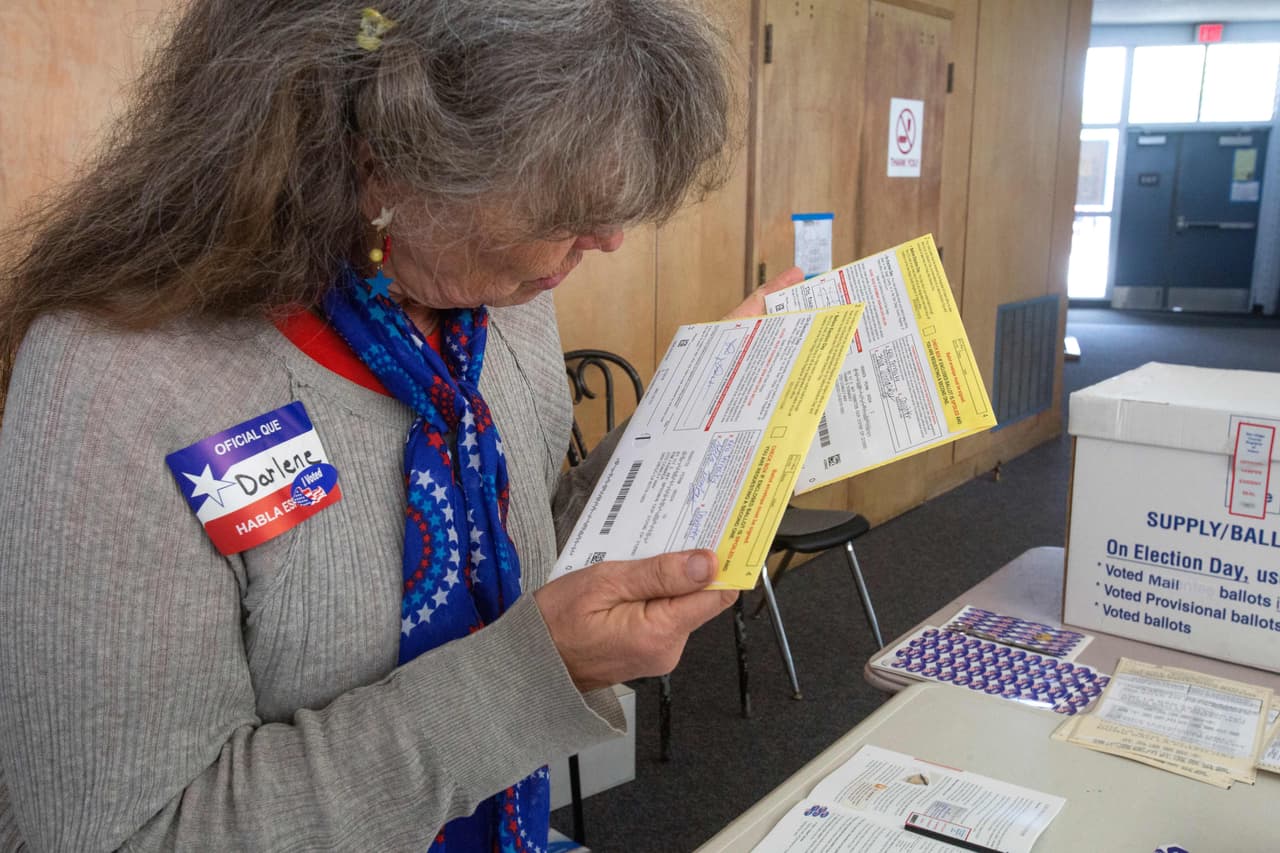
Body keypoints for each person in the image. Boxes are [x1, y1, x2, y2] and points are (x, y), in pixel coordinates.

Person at [0, 2, 802, 850]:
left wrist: (689, 431)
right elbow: (128, 836)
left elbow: (522, 561)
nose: (605, 239)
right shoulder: (117, 380)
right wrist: (532, 676)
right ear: (380, 156)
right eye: (559, 201)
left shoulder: (500, 307)